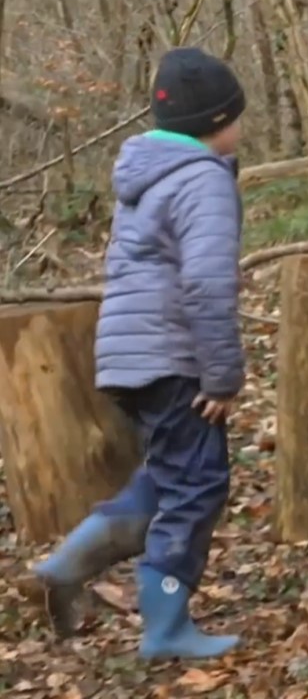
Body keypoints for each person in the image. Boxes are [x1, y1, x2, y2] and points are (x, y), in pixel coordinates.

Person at [31, 46, 247, 657]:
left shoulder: (146, 175)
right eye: (236, 116)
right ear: (215, 122)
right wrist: (221, 376)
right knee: (197, 485)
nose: (240, 127)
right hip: (172, 356)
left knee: (170, 475)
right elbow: (207, 283)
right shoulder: (202, 179)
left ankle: (68, 565)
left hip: (128, 358)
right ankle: (165, 624)